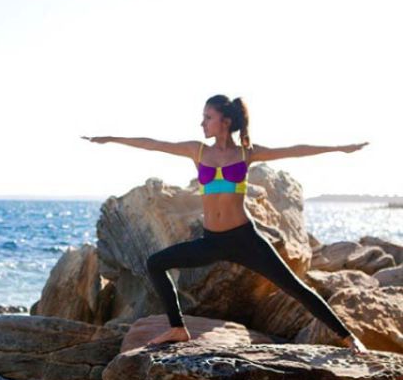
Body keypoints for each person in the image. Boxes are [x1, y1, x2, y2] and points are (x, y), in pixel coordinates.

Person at [81, 94, 370, 356]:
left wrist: (340, 148)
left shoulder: (246, 153)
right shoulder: (198, 151)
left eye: (207, 117)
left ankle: (348, 337)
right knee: (156, 263)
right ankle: (178, 328)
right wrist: (110, 138)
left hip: (246, 240)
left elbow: (295, 150)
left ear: (225, 121)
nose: (202, 123)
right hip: (212, 241)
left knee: (295, 288)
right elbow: (152, 144)